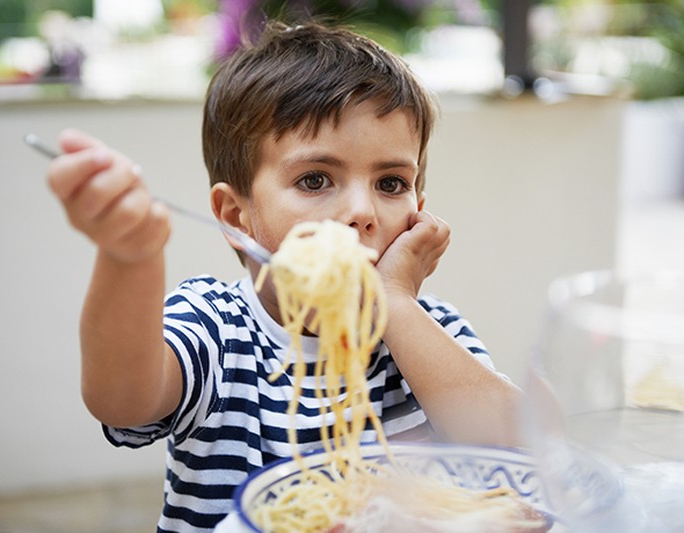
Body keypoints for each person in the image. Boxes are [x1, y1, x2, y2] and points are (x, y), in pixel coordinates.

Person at [45, 20, 524, 532]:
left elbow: (518, 446)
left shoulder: (429, 330)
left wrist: (395, 304)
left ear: (418, 211)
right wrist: (129, 256)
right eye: (315, 179)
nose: (362, 210)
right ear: (235, 216)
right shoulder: (217, 328)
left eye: (391, 182)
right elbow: (121, 401)